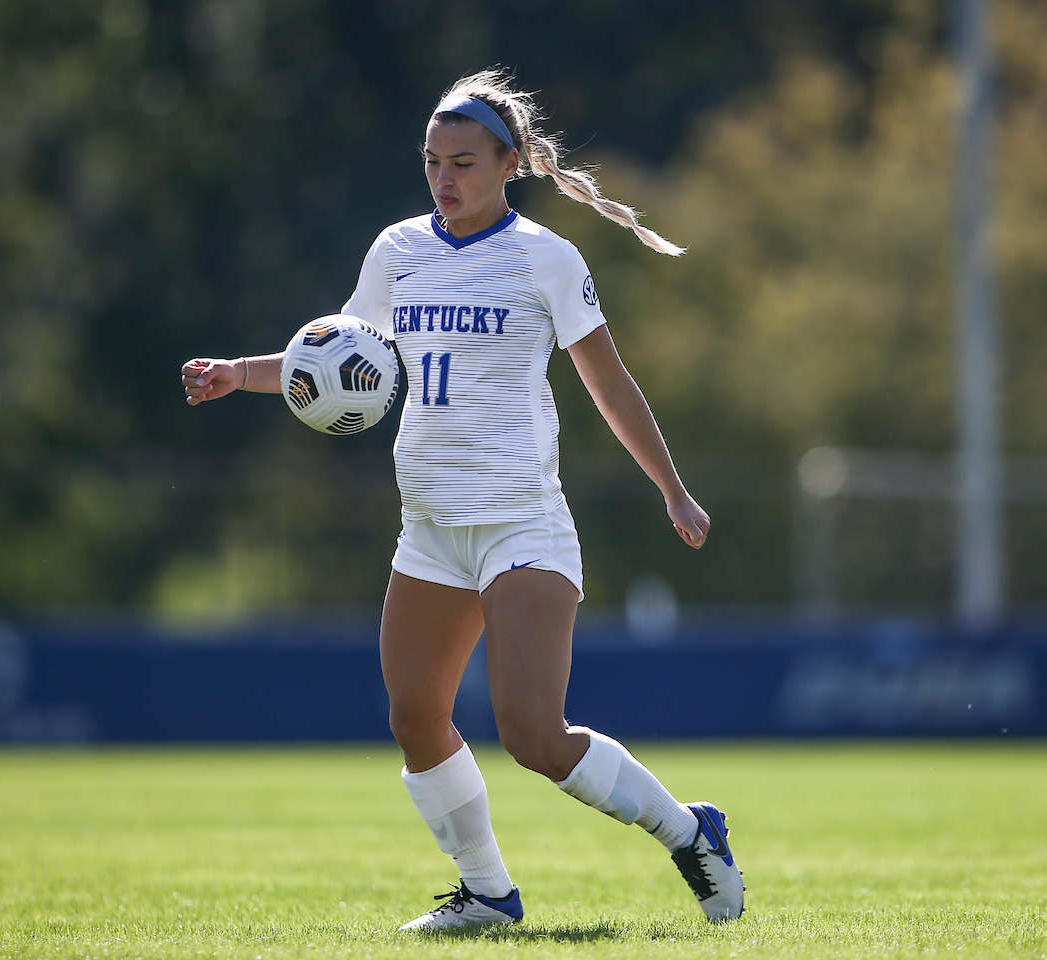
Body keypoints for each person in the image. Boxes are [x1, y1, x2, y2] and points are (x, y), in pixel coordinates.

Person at [181, 69, 744, 930]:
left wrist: (673, 488)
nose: (445, 178)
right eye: (433, 162)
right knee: (416, 719)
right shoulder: (397, 250)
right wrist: (238, 373)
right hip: (431, 529)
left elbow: (610, 383)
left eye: (466, 162)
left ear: (511, 162)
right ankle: (487, 893)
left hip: (522, 521)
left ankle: (689, 830)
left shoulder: (546, 259)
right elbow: (335, 359)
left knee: (531, 734)